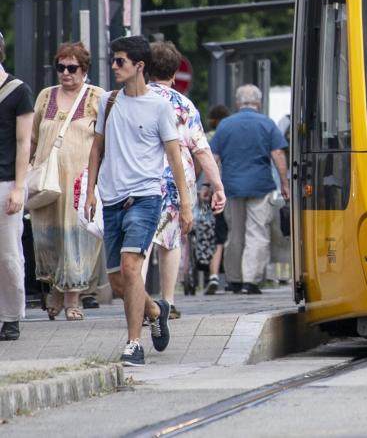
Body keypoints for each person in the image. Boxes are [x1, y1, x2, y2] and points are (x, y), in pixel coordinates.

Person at [84, 35, 192, 366]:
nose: (114, 67)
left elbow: (174, 158)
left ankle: (134, 343)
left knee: (132, 267)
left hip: (145, 197)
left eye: (120, 61)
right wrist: (90, 191)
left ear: (139, 66)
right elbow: (96, 148)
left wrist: (185, 204)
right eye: (113, 61)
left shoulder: (160, 106)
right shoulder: (109, 101)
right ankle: (156, 310)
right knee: (118, 279)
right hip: (111, 198)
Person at [146, 42, 226, 317]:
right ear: (174, 71)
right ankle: (167, 301)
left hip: (141, 175)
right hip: (175, 182)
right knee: (171, 242)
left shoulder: (134, 98)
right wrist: (217, 186)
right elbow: (202, 149)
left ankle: (140, 302)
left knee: (141, 244)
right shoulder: (183, 105)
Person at [28, 42, 104, 322]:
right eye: (60, 67)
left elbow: (107, 140)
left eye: (72, 68)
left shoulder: (97, 97)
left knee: (76, 237)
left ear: (84, 70)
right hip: (46, 181)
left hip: (80, 182)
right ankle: (56, 291)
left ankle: (73, 297)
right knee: (48, 236)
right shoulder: (45, 97)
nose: (65, 73)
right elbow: (32, 136)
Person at [209, 84, 289, 294]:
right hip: (259, 186)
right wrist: (285, 183)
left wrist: (210, 185)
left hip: (231, 187)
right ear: (258, 102)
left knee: (235, 233)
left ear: (238, 103)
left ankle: (234, 279)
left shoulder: (225, 125)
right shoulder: (266, 124)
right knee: (257, 233)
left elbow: (213, 158)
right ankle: (250, 281)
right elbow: (278, 155)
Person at [0, 30, 36, 341]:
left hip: (6, 181)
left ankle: (10, 316)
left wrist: (19, 187)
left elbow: (25, 142)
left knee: (8, 254)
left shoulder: (18, 91)